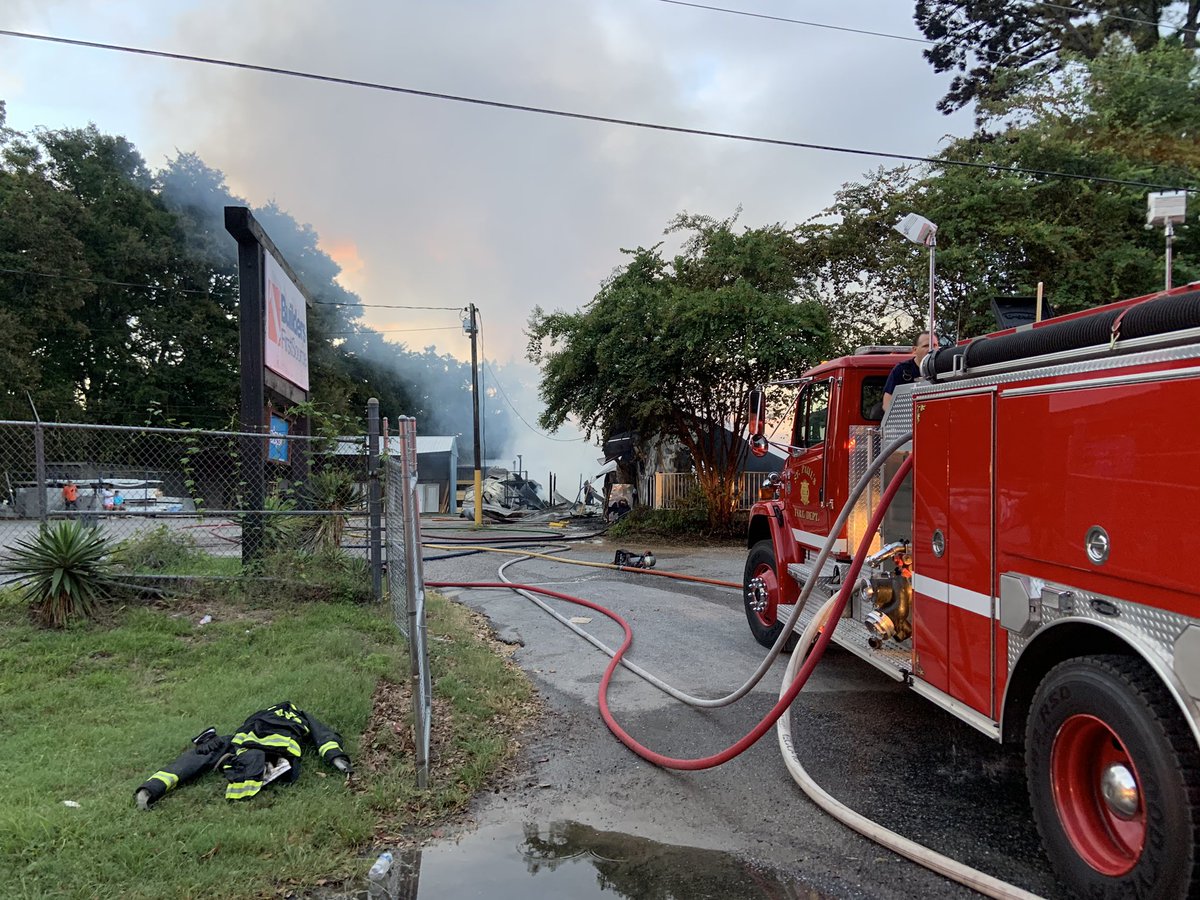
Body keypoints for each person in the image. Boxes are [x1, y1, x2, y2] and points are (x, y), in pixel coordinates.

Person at [882, 331, 932, 412]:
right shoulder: (901, 370)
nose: (931, 350)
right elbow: (887, 403)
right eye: (926, 346)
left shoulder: (944, 369)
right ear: (915, 349)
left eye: (935, 345)